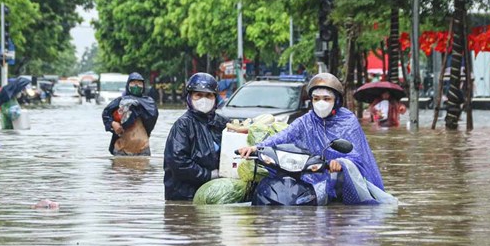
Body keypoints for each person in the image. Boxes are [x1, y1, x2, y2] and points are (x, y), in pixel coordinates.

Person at [238, 72, 395, 205]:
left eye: (326, 99)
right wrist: (256, 147)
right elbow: (284, 135)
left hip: (342, 178)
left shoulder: (348, 121)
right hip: (313, 175)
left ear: (336, 101)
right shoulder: (306, 120)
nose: (321, 103)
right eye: (316, 98)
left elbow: (357, 155)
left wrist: (340, 163)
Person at [163, 72, 229, 201]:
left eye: (208, 95)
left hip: (215, 194)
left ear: (215, 98)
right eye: (198, 95)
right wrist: (208, 175)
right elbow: (178, 162)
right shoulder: (183, 125)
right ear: (190, 97)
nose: (203, 100)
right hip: (185, 195)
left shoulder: (223, 124)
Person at [101, 72, 158, 156]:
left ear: (143, 86)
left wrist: (136, 109)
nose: (136, 85)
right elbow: (106, 114)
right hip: (121, 148)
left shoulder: (149, 102)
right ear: (128, 85)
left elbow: (151, 119)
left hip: (142, 147)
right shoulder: (120, 101)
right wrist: (113, 123)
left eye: (139, 83)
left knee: (144, 167)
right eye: (133, 83)